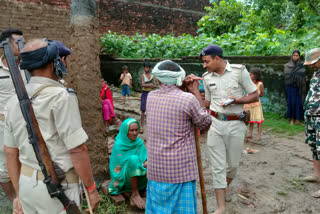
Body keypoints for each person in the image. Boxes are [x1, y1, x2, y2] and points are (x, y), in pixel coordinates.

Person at [3, 39, 100, 213]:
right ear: (54, 63)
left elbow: (10, 152)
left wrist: (18, 195)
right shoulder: (61, 97)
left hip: (26, 186)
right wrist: (91, 189)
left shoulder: (12, 101)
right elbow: (77, 150)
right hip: (57, 188)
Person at [145, 60, 212, 214]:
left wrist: (182, 86)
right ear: (179, 77)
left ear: (157, 78)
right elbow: (204, 123)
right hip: (180, 170)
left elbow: (172, 95)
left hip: (157, 169)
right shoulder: (188, 99)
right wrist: (194, 90)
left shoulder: (151, 97)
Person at [201, 45, 259, 214]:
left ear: (217, 58)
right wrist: (192, 91)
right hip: (215, 123)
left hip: (236, 124)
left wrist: (237, 100)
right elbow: (208, 102)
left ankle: (225, 186)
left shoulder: (239, 71)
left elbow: (255, 94)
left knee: (232, 165)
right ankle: (221, 207)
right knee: (217, 167)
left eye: (207, 61)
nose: (204, 65)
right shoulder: (206, 77)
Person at [0, 28, 27, 203]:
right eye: (17, 42)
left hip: (26, 123)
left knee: (26, 161)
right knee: (3, 169)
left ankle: (26, 199)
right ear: (5, 46)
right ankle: (14, 201)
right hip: (2, 126)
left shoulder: (28, 67)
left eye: (22, 42)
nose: (21, 45)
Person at [108, 118, 147, 209]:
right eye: (132, 130)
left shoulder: (139, 142)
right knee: (133, 159)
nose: (135, 133)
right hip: (125, 179)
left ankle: (143, 188)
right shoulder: (119, 145)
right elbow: (116, 167)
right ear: (125, 131)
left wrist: (145, 164)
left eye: (136, 130)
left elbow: (144, 159)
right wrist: (135, 164)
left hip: (140, 174)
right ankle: (135, 193)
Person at [302, 48, 320, 198]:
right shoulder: (316, 73)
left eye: (313, 63)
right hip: (311, 115)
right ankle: (316, 175)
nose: (311, 66)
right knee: (314, 146)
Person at [284, 50, 306, 125]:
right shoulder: (287, 66)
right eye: (294, 55)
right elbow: (287, 77)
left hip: (299, 88)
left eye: (297, 55)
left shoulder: (302, 65)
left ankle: (298, 119)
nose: (295, 57)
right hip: (290, 87)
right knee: (291, 103)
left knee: (298, 103)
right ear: (292, 56)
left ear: (299, 56)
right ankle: (291, 119)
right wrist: (294, 76)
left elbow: (303, 77)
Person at [244, 68, 265, 141]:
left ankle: (259, 135)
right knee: (250, 119)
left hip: (256, 105)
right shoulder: (248, 83)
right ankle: (250, 134)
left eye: (251, 74)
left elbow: (262, 94)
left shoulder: (260, 84)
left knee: (258, 120)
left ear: (255, 75)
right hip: (249, 104)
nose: (249, 75)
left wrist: (255, 97)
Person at [140, 62, 156, 134]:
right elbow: (143, 85)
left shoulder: (152, 76)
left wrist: (147, 85)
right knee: (143, 110)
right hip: (144, 93)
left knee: (151, 110)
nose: (146, 68)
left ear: (149, 68)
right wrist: (150, 85)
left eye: (147, 67)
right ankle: (142, 127)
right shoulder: (143, 75)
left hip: (151, 94)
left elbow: (155, 85)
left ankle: (150, 127)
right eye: (145, 67)